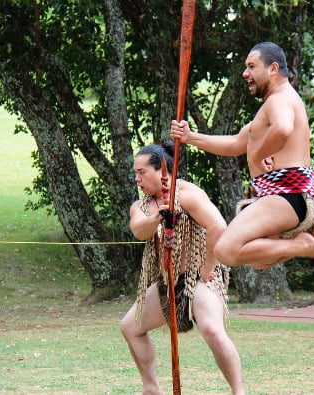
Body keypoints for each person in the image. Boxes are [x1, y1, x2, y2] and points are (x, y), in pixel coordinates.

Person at [170, 41, 314, 270]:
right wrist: (190, 137)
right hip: (293, 197)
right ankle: (302, 239)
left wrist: (260, 155)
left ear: (273, 69)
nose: (246, 74)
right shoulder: (275, 103)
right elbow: (236, 143)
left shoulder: (279, 99)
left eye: (252, 66)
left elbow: (283, 128)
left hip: (288, 196)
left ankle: (302, 245)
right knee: (259, 260)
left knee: (226, 249)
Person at [120, 142, 245, 395]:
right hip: (168, 282)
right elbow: (139, 230)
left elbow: (219, 227)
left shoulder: (188, 194)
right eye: (136, 173)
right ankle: (151, 388)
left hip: (200, 278)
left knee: (211, 329)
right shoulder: (142, 206)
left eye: (142, 172)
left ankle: (238, 392)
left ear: (162, 170)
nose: (137, 179)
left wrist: (208, 267)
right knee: (130, 327)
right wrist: (159, 217)